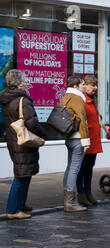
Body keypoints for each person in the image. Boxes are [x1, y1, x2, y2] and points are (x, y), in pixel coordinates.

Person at [0, 70, 47, 219]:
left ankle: (20, 203)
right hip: (23, 142)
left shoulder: (8, 98)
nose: (27, 83)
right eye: (25, 80)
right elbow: (32, 123)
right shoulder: (22, 100)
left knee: (24, 173)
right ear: (19, 83)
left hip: (14, 140)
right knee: (21, 176)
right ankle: (13, 210)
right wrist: (44, 134)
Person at [61, 76, 90, 212]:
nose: (85, 86)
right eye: (83, 84)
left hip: (69, 137)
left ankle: (67, 198)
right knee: (74, 169)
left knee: (69, 168)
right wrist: (86, 141)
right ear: (76, 86)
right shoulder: (77, 98)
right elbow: (82, 120)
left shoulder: (65, 97)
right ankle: (70, 202)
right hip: (78, 138)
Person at [76, 75, 103, 206]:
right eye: (92, 85)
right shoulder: (82, 100)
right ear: (85, 86)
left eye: (96, 85)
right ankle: (81, 193)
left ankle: (88, 192)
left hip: (93, 140)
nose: (95, 88)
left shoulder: (92, 100)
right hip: (86, 140)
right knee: (82, 168)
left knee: (89, 168)